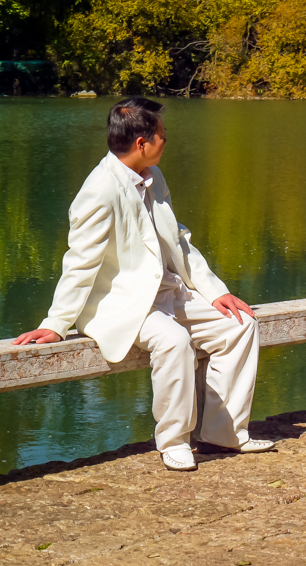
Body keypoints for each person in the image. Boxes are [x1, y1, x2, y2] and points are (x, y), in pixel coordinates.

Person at [13, 97, 274, 471]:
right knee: (174, 341)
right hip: (123, 303)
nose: (166, 142)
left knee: (241, 326)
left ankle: (224, 432)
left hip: (167, 293)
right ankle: (173, 440)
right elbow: (80, 263)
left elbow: (178, 240)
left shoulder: (152, 176)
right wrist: (56, 324)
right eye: (162, 137)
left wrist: (216, 291)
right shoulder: (99, 190)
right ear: (141, 143)